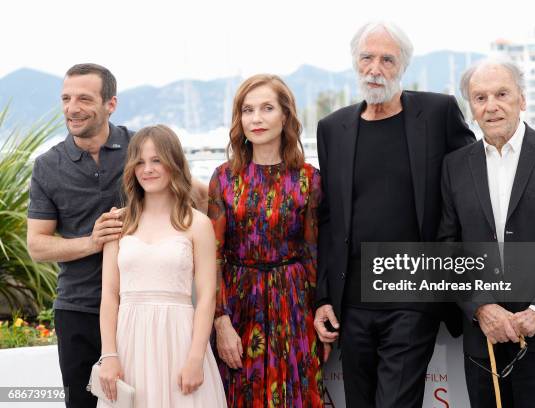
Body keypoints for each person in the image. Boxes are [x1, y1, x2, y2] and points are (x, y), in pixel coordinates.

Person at [26, 63, 207, 408]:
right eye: (66, 98)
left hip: (140, 314)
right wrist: (91, 242)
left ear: (111, 104)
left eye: (84, 98)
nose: (72, 108)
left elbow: (197, 194)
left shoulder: (140, 148)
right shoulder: (48, 165)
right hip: (78, 309)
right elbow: (37, 245)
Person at [313, 21, 475, 407]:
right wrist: (322, 297)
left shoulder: (438, 113)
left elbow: (470, 187)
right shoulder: (332, 128)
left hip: (413, 295)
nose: (375, 68)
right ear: (355, 62)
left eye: (387, 59)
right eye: (367, 57)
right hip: (350, 302)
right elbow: (329, 219)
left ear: (402, 65)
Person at [438, 58, 535, 407]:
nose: (491, 106)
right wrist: (481, 308)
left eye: (501, 94)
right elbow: (448, 249)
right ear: (471, 109)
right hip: (485, 340)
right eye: (479, 98)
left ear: (521, 100)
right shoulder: (455, 166)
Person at [208, 74, 324, 406]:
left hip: (294, 306)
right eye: (247, 110)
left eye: (267, 108)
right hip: (238, 306)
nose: (256, 118)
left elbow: (313, 255)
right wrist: (220, 320)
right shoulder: (224, 178)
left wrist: (317, 318)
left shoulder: (308, 179)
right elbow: (211, 256)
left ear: (285, 115)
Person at [96, 125, 225, 407]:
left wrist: (195, 358)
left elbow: (206, 298)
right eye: (140, 162)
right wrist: (109, 355)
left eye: (156, 160)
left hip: (180, 340)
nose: (148, 169)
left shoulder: (198, 224)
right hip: (129, 342)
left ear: (174, 163)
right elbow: (109, 295)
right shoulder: (118, 222)